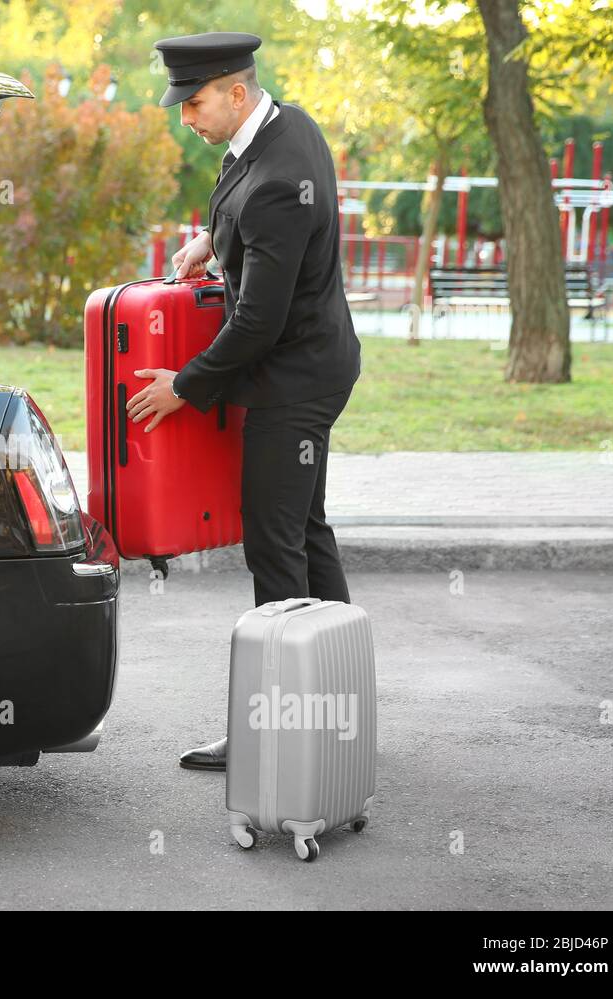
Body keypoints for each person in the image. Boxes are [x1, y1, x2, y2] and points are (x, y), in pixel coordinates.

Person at [125, 31, 362, 771]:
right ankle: (339, 709)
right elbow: (253, 228)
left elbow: (257, 321)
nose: (185, 117)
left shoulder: (274, 176)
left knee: (274, 545)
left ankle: (279, 731)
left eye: (193, 102)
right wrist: (209, 240)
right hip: (317, 362)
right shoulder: (285, 128)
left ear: (235, 91)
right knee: (306, 531)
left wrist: (184, 387)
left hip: (296, 379)